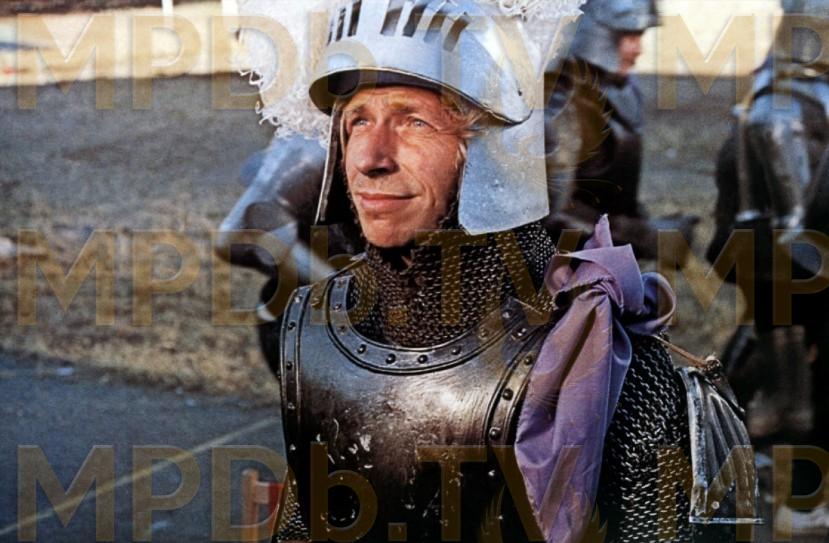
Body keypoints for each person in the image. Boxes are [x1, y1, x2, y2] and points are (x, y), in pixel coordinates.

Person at [229, 1, 756, 541]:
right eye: (359, 120)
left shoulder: (608, 368)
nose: (370, 157)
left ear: (490, 151)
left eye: (413, 121)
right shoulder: (317, 332)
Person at [707, 0, 829, 523]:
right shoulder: (780, 106)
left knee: (777, 357)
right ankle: (798, 494)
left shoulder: (798, 90)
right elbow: (797, 223)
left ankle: (730, 453)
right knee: (796, 381)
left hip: (784, 256)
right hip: (778, 256)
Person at [545, 0, 697, 260]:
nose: (639, 49)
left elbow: (609, 192)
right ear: (596, 34)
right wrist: (643, 236)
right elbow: (554, 217)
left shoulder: (606, 90)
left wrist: (643, 224)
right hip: (560, 272)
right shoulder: (563, 103)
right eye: (631, 37)